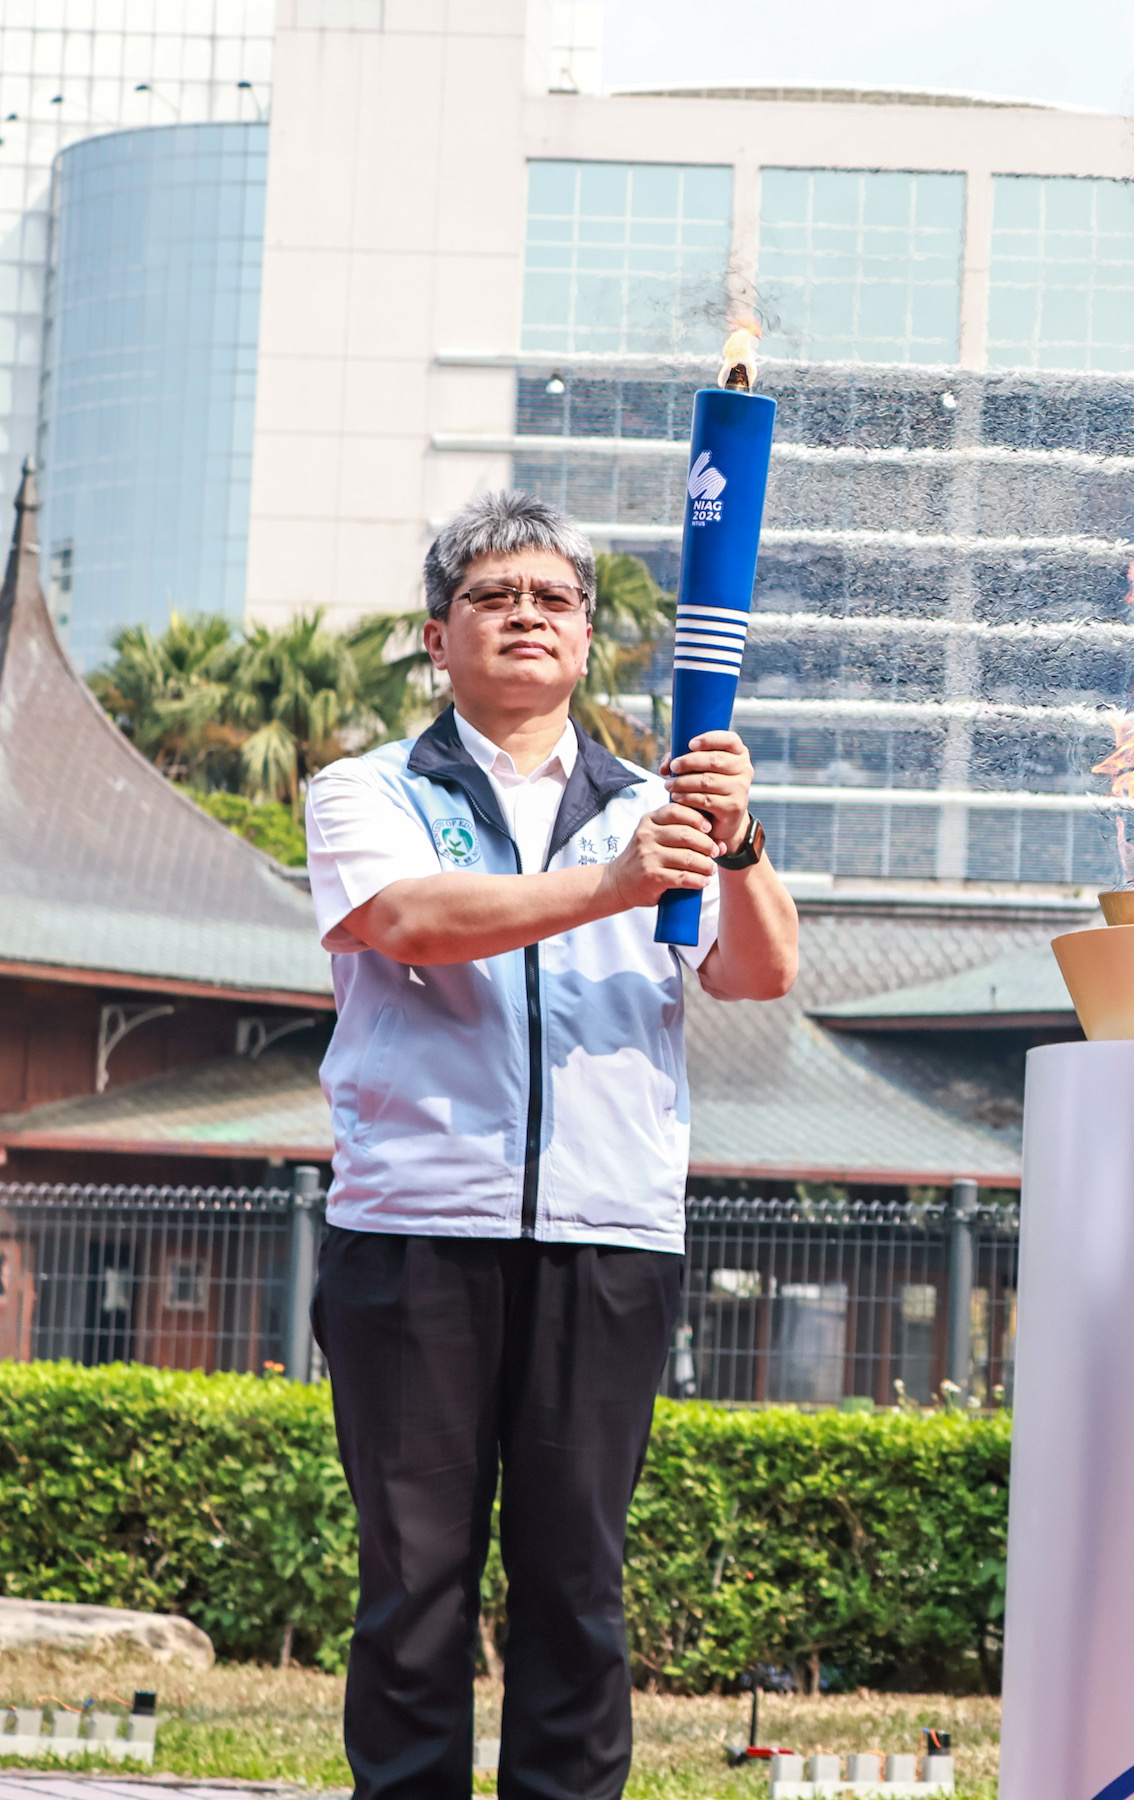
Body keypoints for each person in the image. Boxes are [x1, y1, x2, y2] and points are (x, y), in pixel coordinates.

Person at [302, 491, 799, 1800]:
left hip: (608, 1234)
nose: (526, 617)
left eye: (554, 600)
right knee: (414, 1581)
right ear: (438, 636)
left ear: (588, 640)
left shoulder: (655, 802)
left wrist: (739, 844)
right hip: (414, 1233)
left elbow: (759, 972)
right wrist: (617, 885)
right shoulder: (371, 790)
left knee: (577, 1581)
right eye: (493, 597)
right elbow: (411, 921)